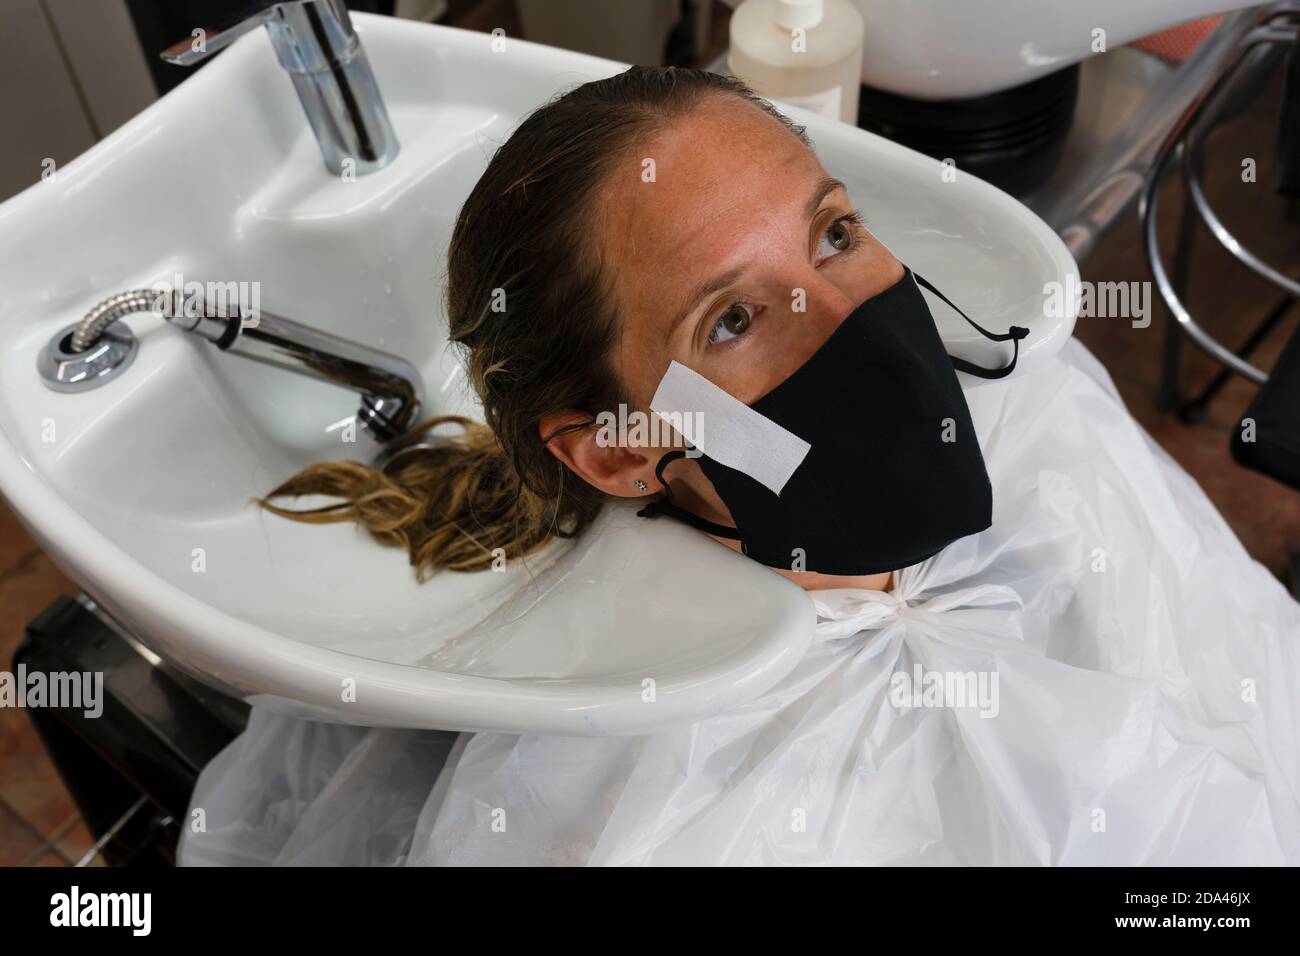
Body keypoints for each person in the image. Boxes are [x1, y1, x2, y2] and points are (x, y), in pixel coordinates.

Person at [177, 66, 1300, 866]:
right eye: (731, 320)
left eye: (832, 234)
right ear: (620, 451)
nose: (849, 317)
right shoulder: (629, 816)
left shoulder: (1037, 413)